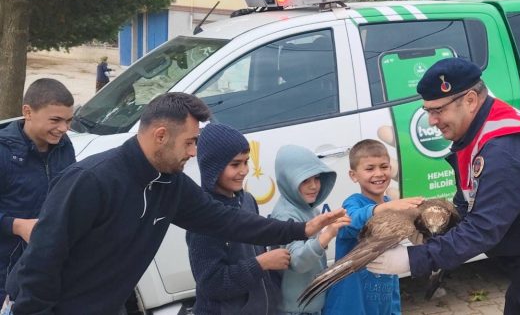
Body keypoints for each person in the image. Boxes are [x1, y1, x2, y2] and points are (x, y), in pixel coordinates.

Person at [4, 92, 349, 314]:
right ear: (160, 136)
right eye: (190, 142)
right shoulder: (91, 180)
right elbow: (43, 260)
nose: (194, 152)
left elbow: (227, 221)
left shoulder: (170, 184)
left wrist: (301, 227)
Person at [366, 58, 520, 314]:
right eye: (428, 111)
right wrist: (432, 227)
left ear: (471, 100)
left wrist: (411, 259)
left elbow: (484, 228)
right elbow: (471, 206)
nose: (431, 120)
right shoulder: (478, 132)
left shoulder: (503, 147)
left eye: (438, 110)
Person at [187, 123, 299, 315]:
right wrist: (261, 263)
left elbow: (259, 247)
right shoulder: (203, 218)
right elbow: (211, 284)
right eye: (235, 164)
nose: (244, 170)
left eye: (246, 162)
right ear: (212, 167)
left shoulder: (247, 200)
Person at [324, 139, 422, 315]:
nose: (379, 173)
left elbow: (392, 272)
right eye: (370, 169)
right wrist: (383, 209)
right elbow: (352, 221)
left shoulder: (391, 205)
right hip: (349, 305)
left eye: (384, 167)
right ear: (353, 175)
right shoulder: (353, 203)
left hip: (382, 301)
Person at [0, 78, 75, 305]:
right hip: (5, 270)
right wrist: (17, 225)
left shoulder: (64, 146)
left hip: (46, 266)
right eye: (56, 120)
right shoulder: (2, 152)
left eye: (69, 120)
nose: (64, 128)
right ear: (28, 112)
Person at [269, 145, 344, 315]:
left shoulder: (308, 207)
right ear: (288, 181)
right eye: (305, 181)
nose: (314, 186)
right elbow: (298, 261)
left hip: (310, 304)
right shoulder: (285, 215)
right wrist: (327, 235)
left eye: (317, 178)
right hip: (295, 309)